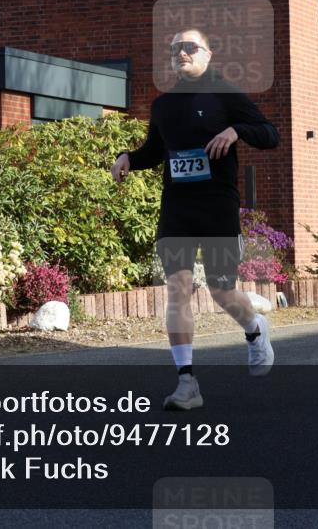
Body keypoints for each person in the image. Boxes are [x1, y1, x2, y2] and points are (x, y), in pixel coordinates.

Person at [111, 28, 280, 410]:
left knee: (222, 291)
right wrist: (128, 158)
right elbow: (154, 151)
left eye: (190, 47)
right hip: (177, 210)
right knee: (178, 289)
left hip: (217, 206)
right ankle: (186, 383)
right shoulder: (164, 105)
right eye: (175, 49)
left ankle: (255, 331)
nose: (181, 53)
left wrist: (236, 130)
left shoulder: (226, 94)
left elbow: (271, 134)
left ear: (208, 54)